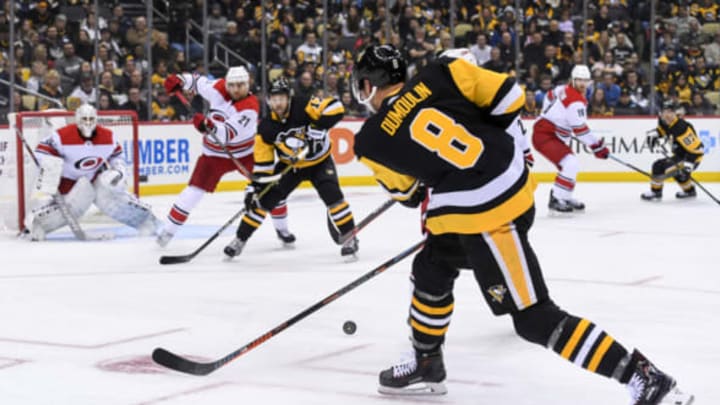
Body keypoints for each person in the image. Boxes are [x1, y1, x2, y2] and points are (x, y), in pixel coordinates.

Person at [350, 44, 693, 404]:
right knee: (432, 265)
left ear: (369, 86)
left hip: (486, 216)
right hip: (509, 184)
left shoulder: (369, 141)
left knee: (533, 318)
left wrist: (426, 163)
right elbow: (511, 97)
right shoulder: (443, 71)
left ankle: (646, 378)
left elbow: (408, 195)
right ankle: (427, 362)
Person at [156, 66, 295, 247]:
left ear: (247, 84)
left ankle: (282, 229)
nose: (236, 89)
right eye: (232, 85)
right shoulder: (219, 87)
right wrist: (181, 80)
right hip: (213, 154)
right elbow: (198, 83)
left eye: (240, 85)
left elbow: (228, 134)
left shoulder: (250, 107)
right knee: (192, 193)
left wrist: (208, 125)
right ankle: (167, 232)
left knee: (270, 189)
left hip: (246, 154)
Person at [223, 77, 359, 259]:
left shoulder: (304, 105)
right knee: (261, 201)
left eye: (281, 98)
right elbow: (263, 163)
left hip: (319, 162)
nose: (278, 103)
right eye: (274, 99)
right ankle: (239, 239)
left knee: (332, 195)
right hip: (290, 166)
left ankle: (350, 237)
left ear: (289, 98)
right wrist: (255, 187)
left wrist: (320, 125)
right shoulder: (266, 128)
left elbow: (336, 107)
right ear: (269, 100)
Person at [24, 104, 160, 240]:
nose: (88, 123)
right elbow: (41, 151)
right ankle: (38, 224)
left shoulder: (107, 137)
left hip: (92, 177)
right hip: (66, 181)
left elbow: (117, 154)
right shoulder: (62, 136)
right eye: (84, 119)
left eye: (91, 119)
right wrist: (50, 165)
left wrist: (118, 170)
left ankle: (146, 221)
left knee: (108, 194)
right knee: (75, 204)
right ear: (77, 119)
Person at [531, 65, 610, 213]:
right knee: (570, 163)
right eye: (579, 80)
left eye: (585, 80)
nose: (582, 83)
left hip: (548, 132)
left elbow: (549, 96)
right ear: (572, 80)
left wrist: (549, 114)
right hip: (545, 135)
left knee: (570, 164)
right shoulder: (575, 102)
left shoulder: (563, 88)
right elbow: (580, 130)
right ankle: (556, 198)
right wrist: (597, 146)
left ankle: (565, 196)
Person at [641, 101, 704, 201]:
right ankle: (688, 191)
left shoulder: (681, 127)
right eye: (664, 112)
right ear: (661, 113)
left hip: (692, 157)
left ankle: (657, 192)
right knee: (668, 169)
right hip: (680, 155)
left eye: (670, 112)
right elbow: (663, 130)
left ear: (675, 113)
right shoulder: (663, 121)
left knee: (664, 167)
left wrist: (688, 165)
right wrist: (655, 134)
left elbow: (696, 150)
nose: (667, 115)